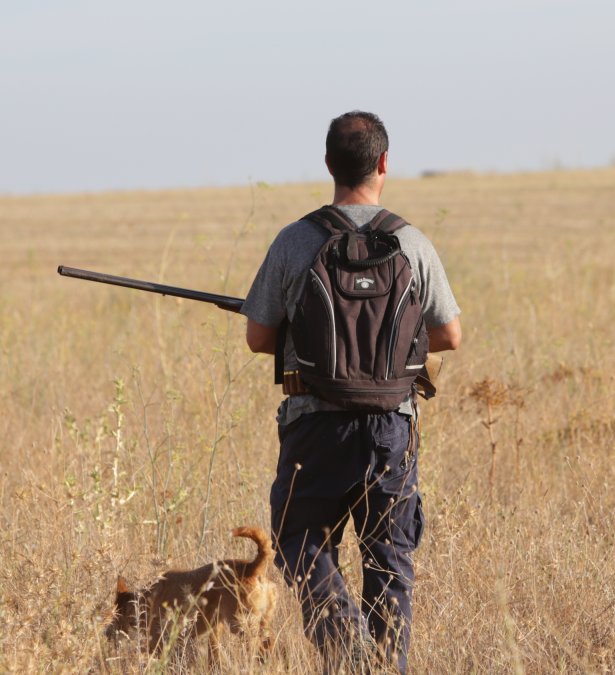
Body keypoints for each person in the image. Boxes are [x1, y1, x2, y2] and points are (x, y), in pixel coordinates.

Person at [241, 111, 461, 673]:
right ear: (384, 164)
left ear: (328, 165)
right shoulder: (411, 242)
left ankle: (351, 656)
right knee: (390, 563)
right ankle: (381, 666)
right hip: (393, 431)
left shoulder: (296, 240)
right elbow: (450, 335)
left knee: (300, 544)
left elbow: (257, 337)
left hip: (314, 429)